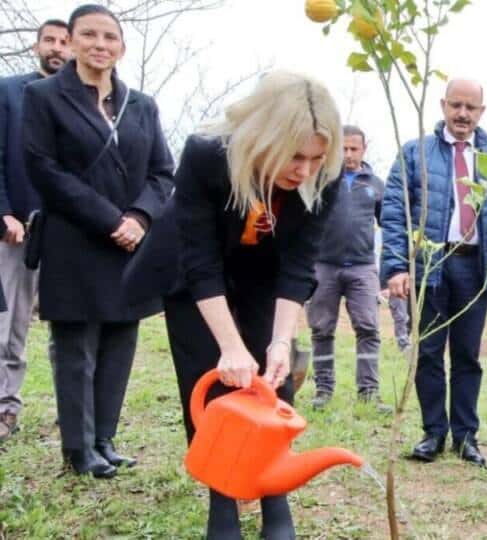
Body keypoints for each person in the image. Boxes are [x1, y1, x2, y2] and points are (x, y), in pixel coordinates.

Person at [129, 70, 341, 539]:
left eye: (315, 158)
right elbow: (199, 261)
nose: (303, 170)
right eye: (294, 156)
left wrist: (281, 342)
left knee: (273, 378)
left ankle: (275, 500)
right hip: (195, 271)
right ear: (265, 138)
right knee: (210, 375)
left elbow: (299, 265)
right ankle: (221, 500)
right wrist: (228, 345)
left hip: (265, 271)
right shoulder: (207, 154)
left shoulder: (325, 175)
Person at [21, 4, 173, 477]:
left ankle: (105, 439)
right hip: (75, 240)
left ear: (122, 47)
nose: (100, 44)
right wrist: (112, 220)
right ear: (70, 41)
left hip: (132, 245)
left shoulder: (142, 105)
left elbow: (162, 173)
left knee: (120, 342)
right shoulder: (43, 96)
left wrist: (140, 217)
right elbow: (44, 169)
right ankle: (78, 449)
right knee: (76, 349)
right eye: (88, 35)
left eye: (109, 36)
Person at [380, 78, 487, 467]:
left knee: (467, 355)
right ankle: (433, 433)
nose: (462, 114)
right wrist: (395, 266)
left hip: (474, 268)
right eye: (455, 105)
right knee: (427, 352)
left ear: (481, 112)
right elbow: (395, 210)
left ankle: (465, 436)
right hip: (428, 265)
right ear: (442, 106)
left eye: (470, 107)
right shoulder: (415, 154)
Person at [0, 18, 70, 444]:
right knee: (10, 324)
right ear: (36, 46)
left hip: (69, 233)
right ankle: (5, 407)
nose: (57, 48)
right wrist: (4, 212)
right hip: (19, 230)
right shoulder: (10, 91)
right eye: (50, 40)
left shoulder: (84, 100)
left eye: (65, 41)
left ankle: (74, 411)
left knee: (71, 325)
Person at [306, 125, 387, 411]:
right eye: (343, 148)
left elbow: (389, 224)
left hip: (363, 269)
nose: (348, 154)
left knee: (368, 329)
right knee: (321, 329)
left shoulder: (376, 185)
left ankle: (369, 393)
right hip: (323, 267)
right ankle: (323, 390)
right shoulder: (320, 181)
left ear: (364, 150)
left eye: (354, 149)